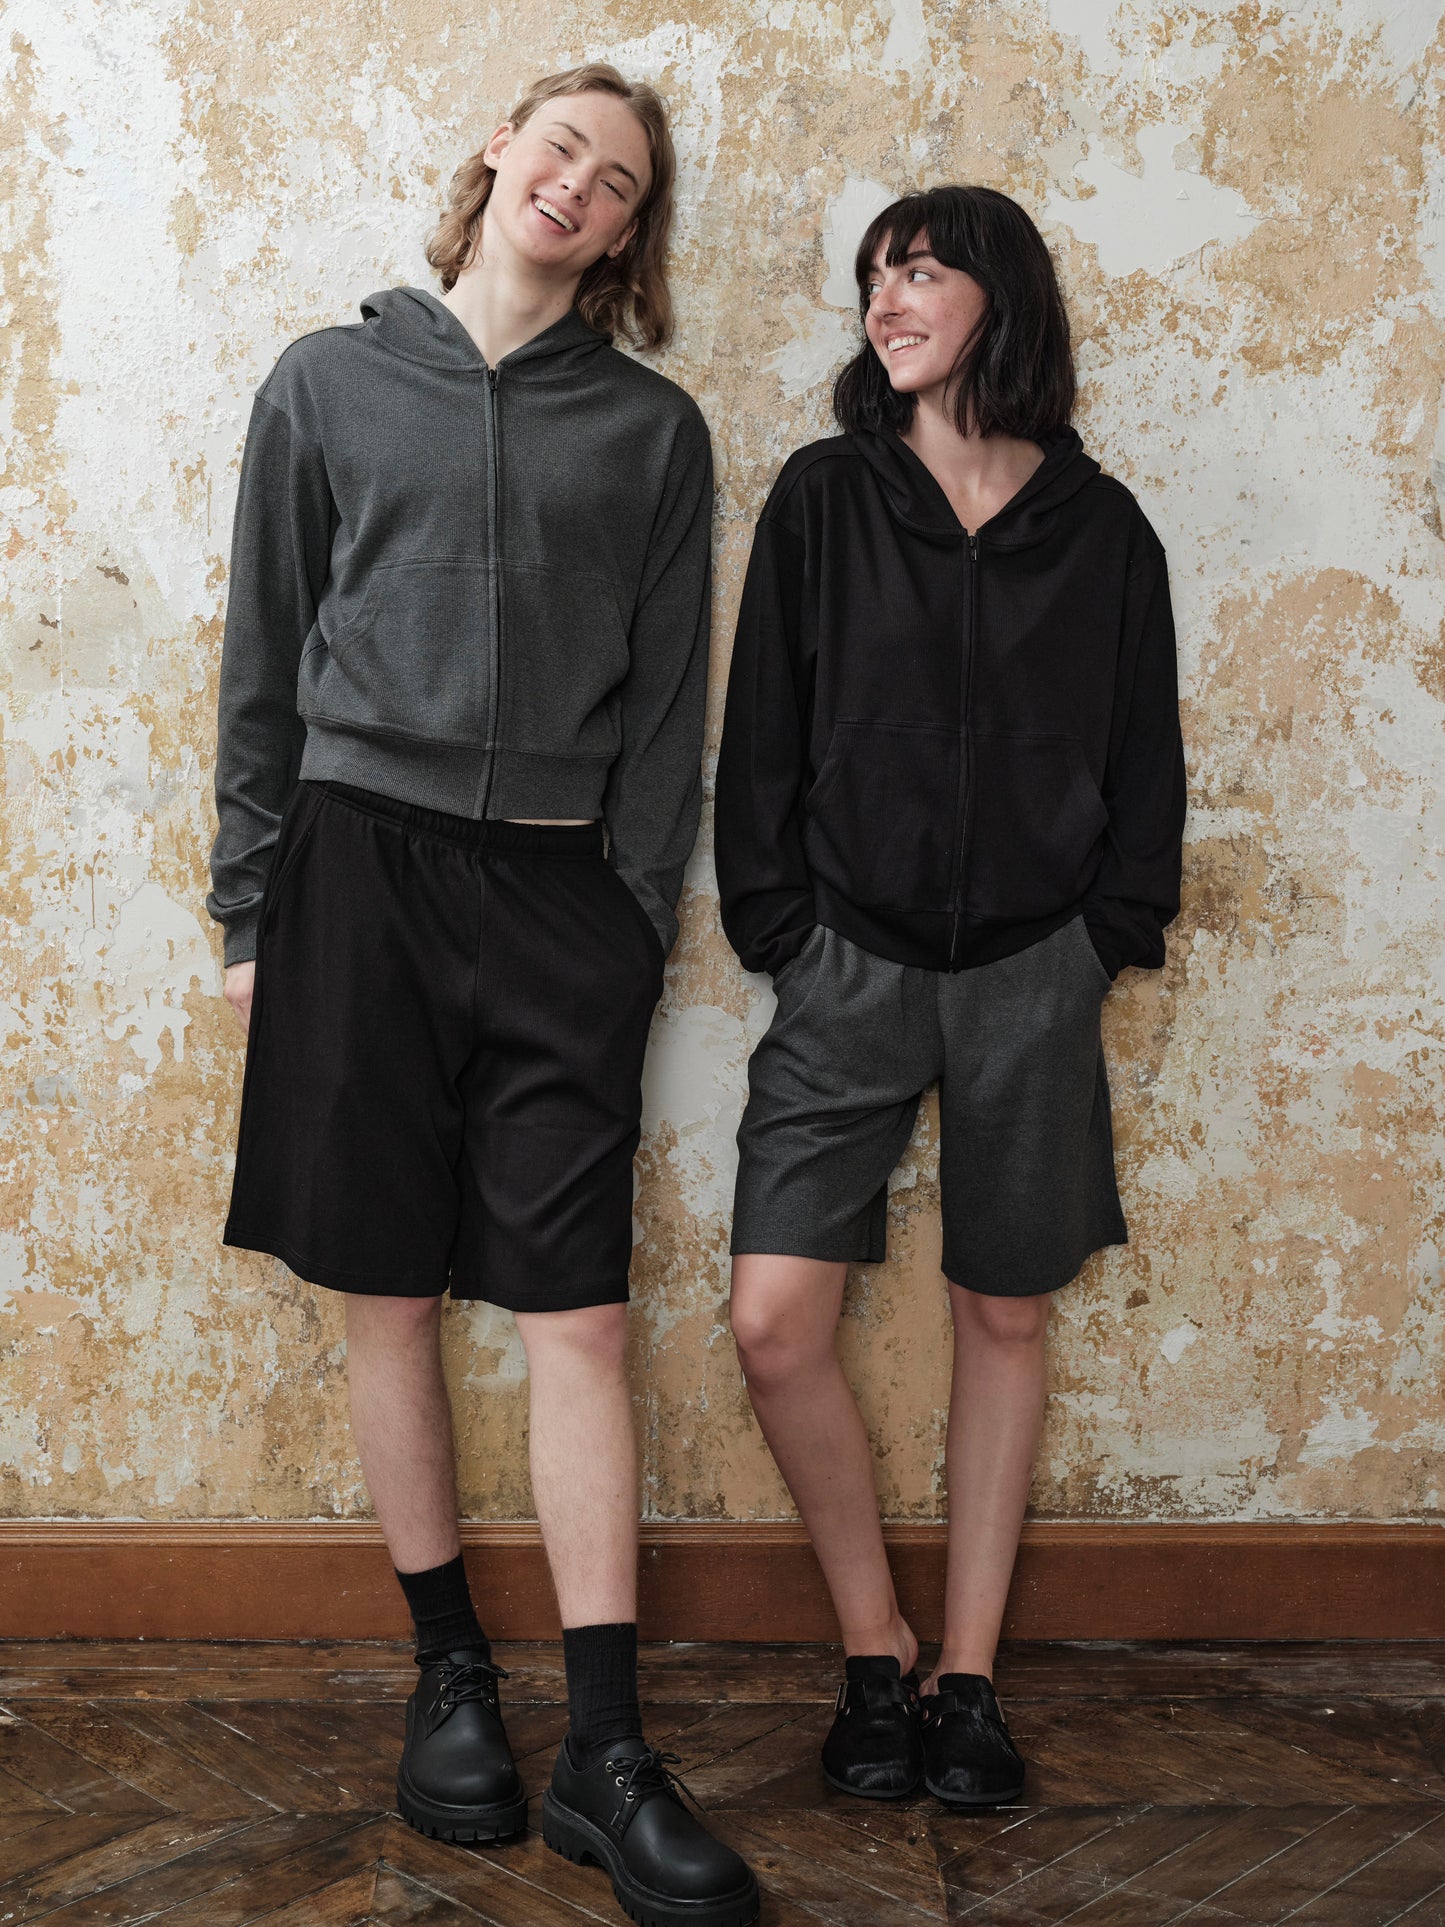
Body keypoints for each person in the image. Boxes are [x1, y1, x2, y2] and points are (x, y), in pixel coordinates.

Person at [207, 63, 759, 1927]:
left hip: (557, 896)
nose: (579, 187)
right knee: (384, 1295)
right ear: (498, 159)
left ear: (627, 235)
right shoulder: (325, 384)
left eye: (619, 183)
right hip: (353, 875)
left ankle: (605, 1748)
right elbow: (264, 662)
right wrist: (250, 912)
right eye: (561, 151)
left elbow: (668, 707)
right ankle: (450, 1673)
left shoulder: (652, 432)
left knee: (575, 1314)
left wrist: (626, 915)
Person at [715, 184, 1185, 1808]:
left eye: (918, 269)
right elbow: (760, 731)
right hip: (843, 963)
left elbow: (1144, 753)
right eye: (872, 277)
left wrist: (1102, 934)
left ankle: (965, 1679)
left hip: (1031, 973)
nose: (886, 299)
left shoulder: (1102, 529)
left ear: (1002, 295)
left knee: (1003, 1313)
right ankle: (873, 1651)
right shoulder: (825, 497)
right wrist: (783, 928)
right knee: (773, 1323)